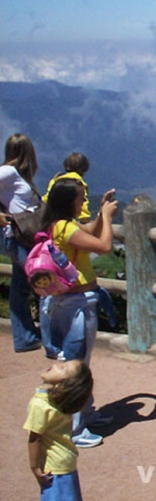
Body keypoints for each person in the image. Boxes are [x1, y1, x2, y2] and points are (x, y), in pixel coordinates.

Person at [42, 177, 118, 449]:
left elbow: (89, 231)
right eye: (80, 198)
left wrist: (100, 212)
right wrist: (107, 218)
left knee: (80, 361)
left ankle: (86, 412)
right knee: (76, 363)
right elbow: (104, 246)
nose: (83, 201)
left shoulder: (60, 225)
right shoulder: (65, 228)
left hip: (70, 300)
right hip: (76, 304)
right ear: (68, 201)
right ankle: (74, 428)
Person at [40, 152, 94, 360]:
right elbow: (84, 214)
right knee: (77, 341)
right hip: (75, 283)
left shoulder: (55, 180)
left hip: (50, 234)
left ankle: (51, 345)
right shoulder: (78, 184)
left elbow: (45, 202)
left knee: (48, 300)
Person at [24, 358, 94, 501]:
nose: (57, 364)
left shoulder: (40, 404)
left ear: (64, 384)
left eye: (62, 368)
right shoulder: (59, 401)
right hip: (65, 460)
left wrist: (34, 467)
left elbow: (35, 438)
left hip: (53, 466)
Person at [0, 132, 44, 352]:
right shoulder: (8, 172)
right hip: (18, 238)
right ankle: (52, 339)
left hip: (19, 238)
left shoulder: (15, 174)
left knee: (20, 289)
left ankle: (25, 338)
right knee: (45, 282)